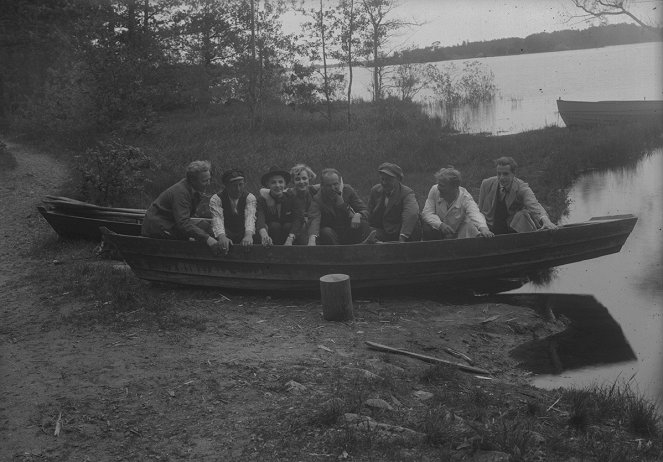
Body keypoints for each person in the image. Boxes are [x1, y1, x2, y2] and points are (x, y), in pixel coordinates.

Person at [141, 160, 220, 253]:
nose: (208, 183)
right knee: (194, 240)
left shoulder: (193, 189)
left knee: (204, 225)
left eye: (209, 179)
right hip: (157, 228)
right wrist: (208, 239)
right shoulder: (181, 193)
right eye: (204, 181)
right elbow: (183, 223)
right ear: (192, 180)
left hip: (170, 222)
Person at [478, 156, 557, 234]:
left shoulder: (521, 187)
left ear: (513, 174)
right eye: (499, 174)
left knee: (522, 214)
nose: (501, 178)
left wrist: (545, 220)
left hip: (513, 229)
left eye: (505, 174)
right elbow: (479, 210)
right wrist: (482, 228)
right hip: (490, 229)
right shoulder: (486, 184)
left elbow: (534, 204)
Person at [421, 166, 493, 240]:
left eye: (442, 185)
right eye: (438, 184)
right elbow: (427, 212)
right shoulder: (434, 189)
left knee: (470, 226)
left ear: (454, 187)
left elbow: (475, 213)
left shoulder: (465, 197)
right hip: (436, 231)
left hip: (458, 231)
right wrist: (440, 225)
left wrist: (483, 228)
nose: (438, 187)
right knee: (427, 227)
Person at [307, 168, 369, 245]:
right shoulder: (318, 199)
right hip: (330, 235)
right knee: (326, 232)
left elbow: (365, 210)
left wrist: (358, 215)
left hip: (348, 230)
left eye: (335, 184)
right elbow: (314, 219)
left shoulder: (347, 190)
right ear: (322, 185)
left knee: (362, 223)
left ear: (340, 183)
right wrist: (312, 238)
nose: (333, 188)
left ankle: (363, 249)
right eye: (329, 185)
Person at [366, 162, 421, 242]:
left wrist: (403, 236)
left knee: (414, 225)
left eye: (388, 180)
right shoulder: (375, 190)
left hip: (402, 233)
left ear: (398, 179)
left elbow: (411, 214)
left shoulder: (407, 193)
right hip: (383, 231)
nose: (384, 183)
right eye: (382, 179)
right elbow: (368, 213)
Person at [209, 169, 256, 253]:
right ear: (226, 186)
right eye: (234, 185)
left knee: (257, 234)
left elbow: (250, 217)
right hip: (226, 232)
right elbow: (217, 219)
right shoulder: (216, 199)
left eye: (240, 185)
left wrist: (248, 235)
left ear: (244, 184)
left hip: (243, 232)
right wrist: (222, 237)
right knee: (210, 231)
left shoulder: (250, 197)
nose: (238, 189)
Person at [256, 166, 301, 246]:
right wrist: (264, 235)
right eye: (273, 182)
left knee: (288, 225)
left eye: (280, 182)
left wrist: (290, 238)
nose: (277, 185)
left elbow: (297, 220)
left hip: (289, 238)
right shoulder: (262, 200)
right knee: (274, 225)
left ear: (285, 184)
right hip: (272, 236)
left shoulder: (292, 198)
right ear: (268, 184)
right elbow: (260, 218)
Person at [285, 164, 319, 245]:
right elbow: (263, 191)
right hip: (295, 224)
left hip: (313, 224)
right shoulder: (290, 193)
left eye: (304, 178)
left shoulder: (313, 190)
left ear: (309, 178)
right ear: (293, 181)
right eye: (297, 179)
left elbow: (336, 183)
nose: (301, 182)